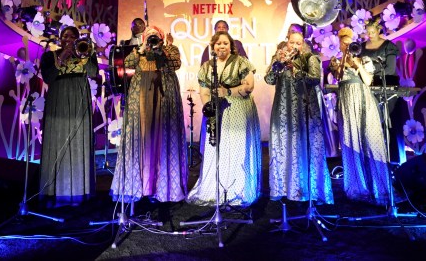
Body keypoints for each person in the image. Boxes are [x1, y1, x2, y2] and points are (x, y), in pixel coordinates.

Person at [111, 24, 188, 229]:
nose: (153, 39)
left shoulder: (169, 49)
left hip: (163, 100)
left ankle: (164, 198)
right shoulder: (140, 52)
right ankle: (142, 193)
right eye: (149, 37)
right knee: (143, 144)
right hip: (141, 102)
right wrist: (141, 49)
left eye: (156, 37)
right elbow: (127, 63)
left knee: (162, 145)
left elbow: (176, 64)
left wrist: (162, 49)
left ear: (161, 38)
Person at [187, 29, 261, 208]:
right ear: (213, 46)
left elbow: (249, 86)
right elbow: (204, 91)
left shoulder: (241, 62)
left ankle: (237, 189)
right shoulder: (206, 67)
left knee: (236, 147)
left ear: (231, 47)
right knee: (217, 149)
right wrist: (208, 106)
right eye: (218, 43)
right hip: (216, 112)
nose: (222, 46)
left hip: (238, 109)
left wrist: (227, 92)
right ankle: (215, 188)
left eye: (225, 43)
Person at [264, 25, 333, 204]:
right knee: (284, 144)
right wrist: (275, 64)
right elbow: (269, 80)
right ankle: (284, 187)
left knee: (303, 144)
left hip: (304, 108)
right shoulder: (278, 56)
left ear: (304, 44)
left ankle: (305, 187)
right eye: (292, 42)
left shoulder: (310, 58)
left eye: (298, 43)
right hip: (283, 108)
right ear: (286, 41)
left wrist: (294, 68)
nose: (295, 46)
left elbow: (314, 79)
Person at [39, 25, 99, 207]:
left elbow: (94, 72)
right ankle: (53, 191)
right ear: (60, 38)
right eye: (66, 36)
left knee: (79, 141)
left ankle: (80, 191)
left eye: (73, 36)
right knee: (57, 141)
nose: (69, 39)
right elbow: (48, 77)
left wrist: (84, 55)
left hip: (79, 97)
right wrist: (62, 57)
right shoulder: (50, 56)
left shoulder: (86, 52)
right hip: (58, 97)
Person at [331, 27, 392, 206]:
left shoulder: (364, 59)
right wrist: (344, 58)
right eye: (343, 43)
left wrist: (356, 63)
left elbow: (368, 80)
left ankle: (379, 188)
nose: (346, 46)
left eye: (349, 43)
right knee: (352, 143)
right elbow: (339, 76)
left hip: (364, 103)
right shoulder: (336, 61)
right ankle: (357, 188)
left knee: (371, 142)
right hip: (347, 105)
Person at [358, 18, 405, 162]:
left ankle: (394, 160)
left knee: (388, 122)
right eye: (368, 32)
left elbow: (390, 69)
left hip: (386, 86)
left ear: (379, 30)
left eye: (373, 32)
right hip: (367, 86)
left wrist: (371, 73)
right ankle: (372, 159)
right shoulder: (361, 47)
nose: (370, 35)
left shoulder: (388, 46)